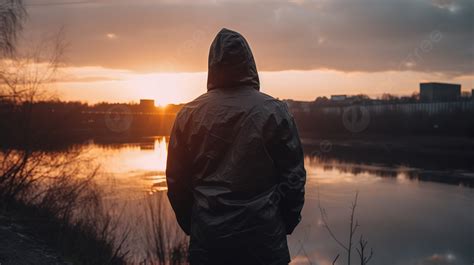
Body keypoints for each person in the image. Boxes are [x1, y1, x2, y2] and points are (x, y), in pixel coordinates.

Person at [166, 28, 306, 265]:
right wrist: (283, 223)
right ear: (249, 63)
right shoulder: (275, 111)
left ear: (212, 65)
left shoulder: (187, 115)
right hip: (265, 244)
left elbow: (177, 184)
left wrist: (196, 225)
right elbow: (293, 180)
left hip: (209, 245)